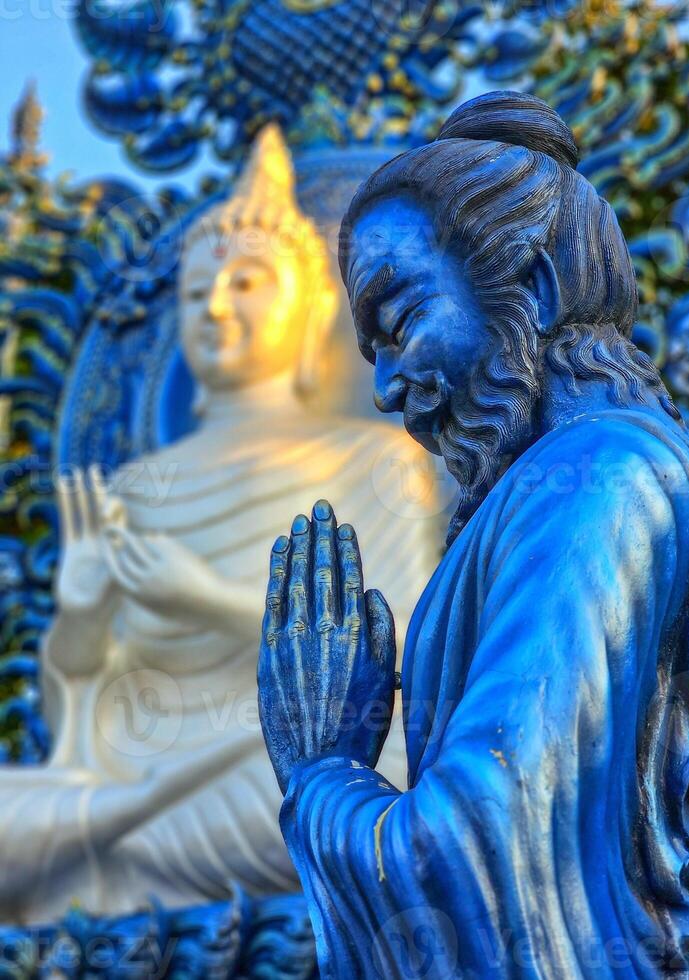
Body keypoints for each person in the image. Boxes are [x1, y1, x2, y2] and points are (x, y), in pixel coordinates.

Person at [258, 92, 689, 977]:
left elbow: (478, 844)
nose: (384, 390)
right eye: (369, 354)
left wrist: (321, 766)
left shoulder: (605, 473)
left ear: (536, 284)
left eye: (401, 322)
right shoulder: (574, 486)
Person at [0, 125, 441, 923]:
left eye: (245, 283)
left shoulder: (374, 459)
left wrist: (202, 597)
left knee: (363, 784)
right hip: (153, 763)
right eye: (197, 289)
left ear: (311, 313)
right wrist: (81, 616)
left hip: (287, 754)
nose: (214, 305)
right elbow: (89, 713)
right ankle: (108, 837)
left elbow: (400, 653)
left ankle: (103, 853)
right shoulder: (134, 487)